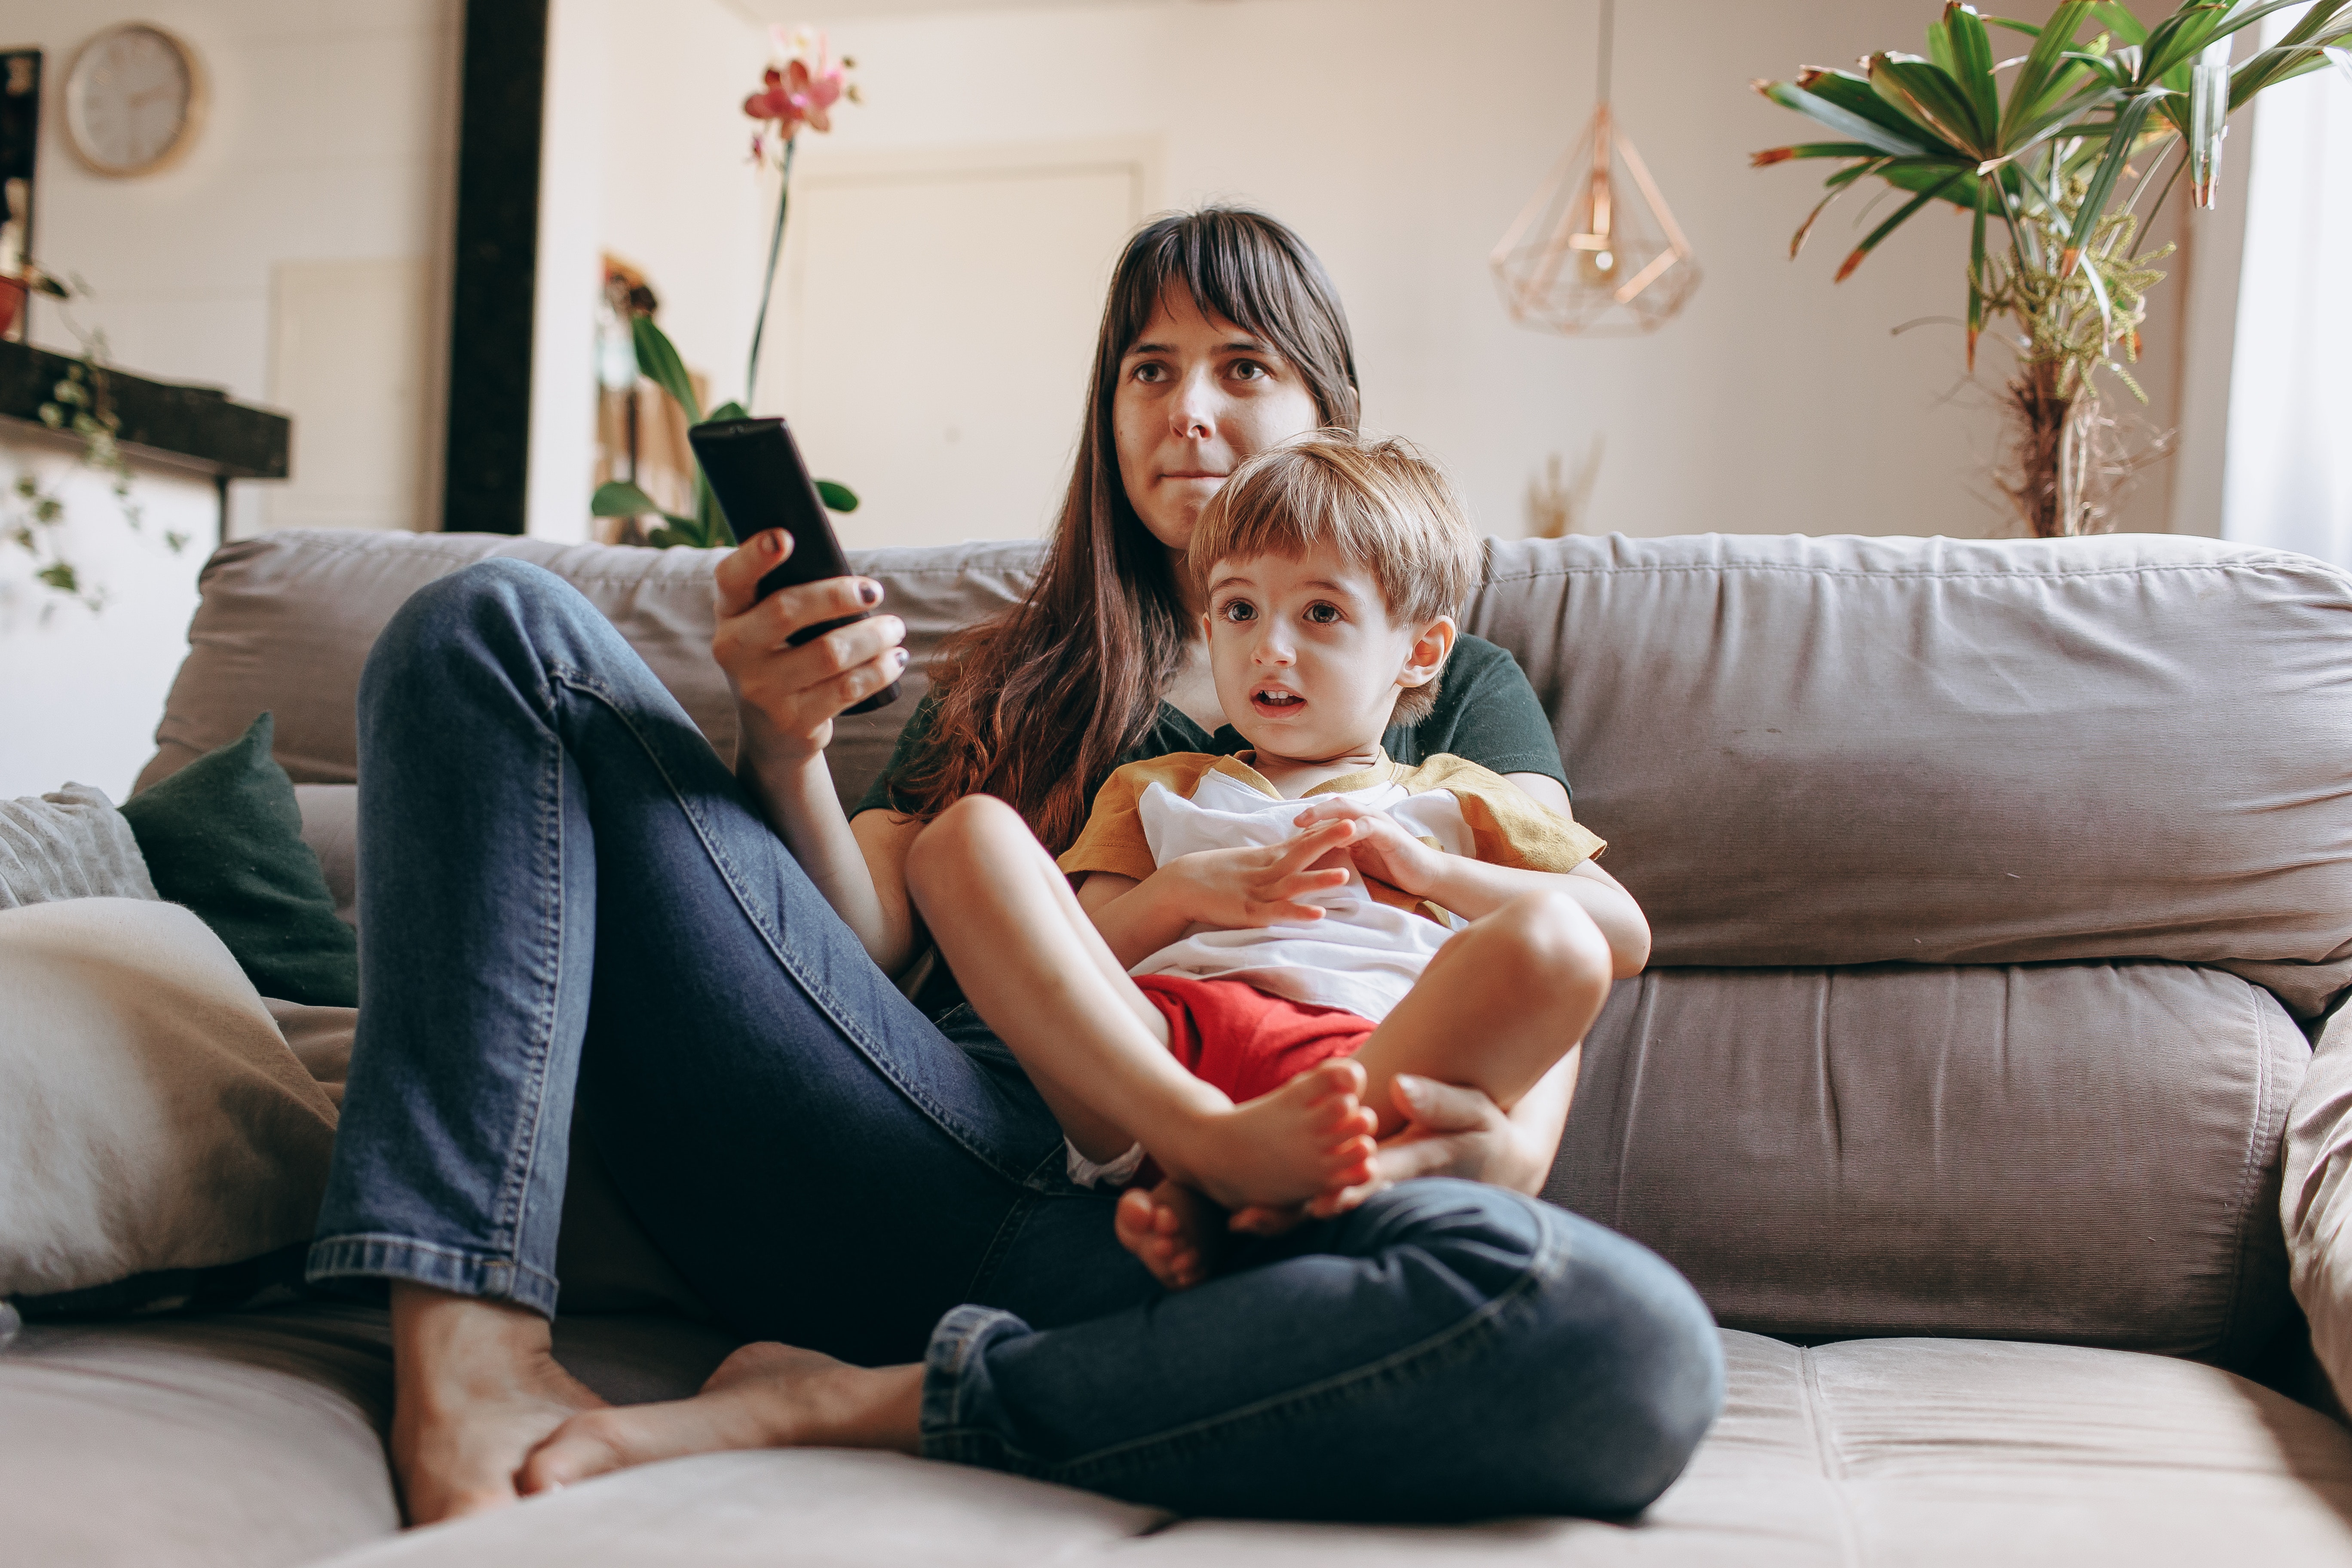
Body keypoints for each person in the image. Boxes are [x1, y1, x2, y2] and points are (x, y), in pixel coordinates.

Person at [308, 206, 1724, 1527]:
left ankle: (863, 1402)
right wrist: (786, 741)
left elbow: (1555, 945)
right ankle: (469, 1351)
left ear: (1326, 411)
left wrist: (1484, 1149)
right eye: (1148, 370)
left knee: (1628, 1344)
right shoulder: (1022, 672)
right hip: (913, 1144)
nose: (1189, 409)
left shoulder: (1434, 680)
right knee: (489, 626)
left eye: (1243, 365)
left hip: (1211, 1234)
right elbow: (852, 950)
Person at [907, 432, 1641, 1292]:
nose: (1269, 650)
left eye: (1321, 613)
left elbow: (1621, 934)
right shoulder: (1161, 788)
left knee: (1560, 941)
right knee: (962, 840)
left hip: (1358, 1074)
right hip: (1157, 1065)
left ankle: (1227, 1203)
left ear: (1422, 651)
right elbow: (1078, 959)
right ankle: (1207, 1154)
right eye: (1239, 609)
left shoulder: (1460, 799)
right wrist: (1183, 894)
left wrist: (1431, 872)